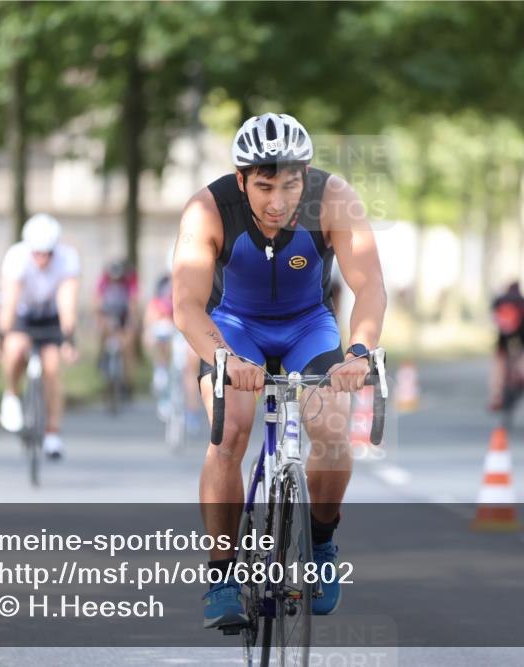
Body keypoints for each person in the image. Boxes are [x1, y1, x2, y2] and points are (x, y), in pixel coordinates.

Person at [171, 113, 386, 629]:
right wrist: (227, 358)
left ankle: (321, 543)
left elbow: (370, 285)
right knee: (232, 432)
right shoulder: (208, 209)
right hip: (232, 328)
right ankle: (222, 576)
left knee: (333, 429)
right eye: (264, 186)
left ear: (306, 176)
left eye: (290, 185)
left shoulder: (333, 199)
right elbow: (186, 306)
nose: (278, 201)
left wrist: (359, 351)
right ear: (241, 179)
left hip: (306, 327)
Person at [0, 213, 80, 460]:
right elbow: (8, 305)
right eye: (37, 253)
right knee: (15, 349)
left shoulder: (67, 259)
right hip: (22, 313)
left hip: (50, 315)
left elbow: (67, 305)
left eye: (47, 253)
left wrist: (69, 341)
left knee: (52, 367)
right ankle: (11, 394)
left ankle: (52, 433)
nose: (42, 259)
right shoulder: (16, 258)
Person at [95, 259, 139, 392]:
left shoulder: (128, 283)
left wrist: (132, 323)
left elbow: (133, 305)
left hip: (123, 317)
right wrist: (99, 320)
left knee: (127, 346)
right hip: (108, 315)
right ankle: (102, 358)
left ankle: (128, 380)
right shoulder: (104, 281)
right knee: (103, 332)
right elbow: (97, 302)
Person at [488, 281, 524, 411]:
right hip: (521, 334)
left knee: (499, 363)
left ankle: (496, 396)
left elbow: (493, 318)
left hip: (503, 335)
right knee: (521, 355)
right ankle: (520, 374)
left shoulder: (500, 300)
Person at [142, 274, 177, 419]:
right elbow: (152, 310)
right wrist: (148, 332)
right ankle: (160, 369)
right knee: (161, 333)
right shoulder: (162, 284)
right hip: (164, 328)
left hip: (178, 327)